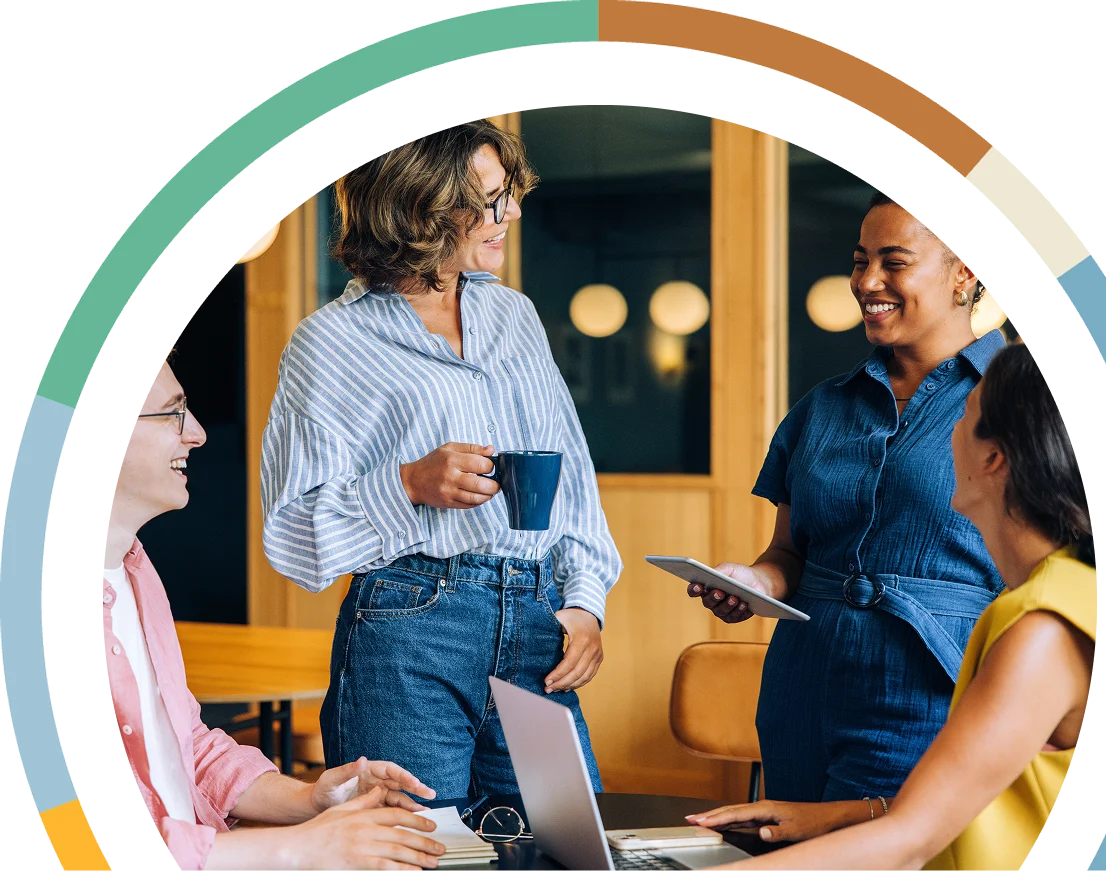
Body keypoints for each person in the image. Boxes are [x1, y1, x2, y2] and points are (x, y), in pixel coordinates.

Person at [259, 119, 621, 800]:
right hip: (408, 629)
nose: (511, 213)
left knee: (566, 841)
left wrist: (585, 604)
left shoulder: (514, 315)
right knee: (418, 849)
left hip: (536, 620)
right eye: (489, 200)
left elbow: (568, 472)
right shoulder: (328, 344)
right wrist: (407, 484)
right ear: (420, 205)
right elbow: (291, 535)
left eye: (509, 195)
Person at [686, 341, 1097, 871]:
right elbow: (972, 796)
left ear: (993, 458)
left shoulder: (1043, 631)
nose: (944, 434)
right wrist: (826, 817)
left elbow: (911, 841)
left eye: (963, 416)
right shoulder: (1049, 598)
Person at [688, 192, 1007, 801]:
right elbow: (789, 554)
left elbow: (1043, 578)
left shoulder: (1017, 401)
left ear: (964, 271)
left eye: (894, 261)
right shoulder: (822, 407)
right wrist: (754, 583)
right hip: (802, 688)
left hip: (935, 689)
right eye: (860, 261)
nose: (867, 281)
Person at [101, 355, 447, 871]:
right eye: (173, 414)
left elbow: (185, 748)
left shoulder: (134, 569)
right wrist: (301, 848)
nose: (196, 433)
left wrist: (311, 800)